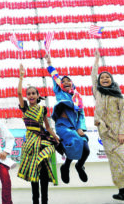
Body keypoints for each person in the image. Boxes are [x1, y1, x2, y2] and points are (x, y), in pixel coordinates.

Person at [17, 64, 59, 204]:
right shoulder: (25, 109)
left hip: (42, 141)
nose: (31, 95)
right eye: (28, 94)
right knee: (34, 176)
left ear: (38, 95)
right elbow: (18, 93)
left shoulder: (43, 109)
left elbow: (47, 126)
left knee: (44, 174)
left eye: (33, 93)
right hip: (30, 143)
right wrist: (21, 77)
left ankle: (45, 201)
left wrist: (54, 136)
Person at [46, 54, 89, 184]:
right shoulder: (59, 92)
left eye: (67, 80)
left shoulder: (78, 97)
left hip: (75, 127)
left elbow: (81, 114)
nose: (65, 82)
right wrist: (49, 64)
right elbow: (55, 77)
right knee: (74, 140)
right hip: (62, 126)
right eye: (62, 81)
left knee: (86, 148)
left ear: (72, 84)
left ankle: (77, 165)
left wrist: (80, 127)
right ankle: (66, 167)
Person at [92, 49, 124, 200]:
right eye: (102, 77)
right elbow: (93, 77)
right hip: (105, 135)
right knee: (114, 163)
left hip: (119, 134)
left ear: (112, 80)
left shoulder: (118, 96)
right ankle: (122, 190)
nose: (104, 78)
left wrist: (122, 132)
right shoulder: (97, 93)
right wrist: (96, 61)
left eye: (107, 77)